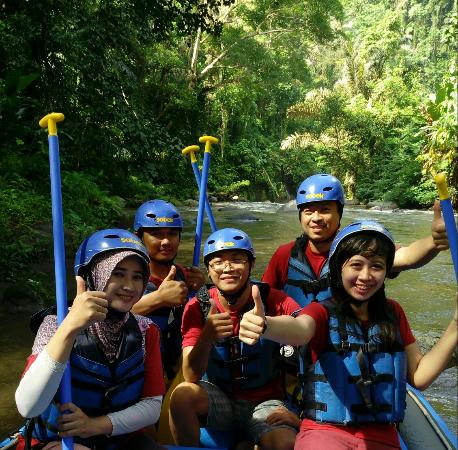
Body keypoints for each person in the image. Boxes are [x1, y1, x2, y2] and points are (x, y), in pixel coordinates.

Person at [240, 220, 458, 450]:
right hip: (325, 432)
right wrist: (266, 325)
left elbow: (420, 377)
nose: (365, 276)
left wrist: (455, 324)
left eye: (376, 266)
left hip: (382, 434)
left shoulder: (393, 312)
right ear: (339, 268)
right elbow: (299, 330)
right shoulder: (321, 311)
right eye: (356, 265)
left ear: (387, 271)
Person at [15, 229, 166, 450]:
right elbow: (28, 407)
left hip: (115, 437)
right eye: (118, 274)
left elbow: (152, 406)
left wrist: (95, 425)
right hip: (58, 442)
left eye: (137, 277)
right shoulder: (55, 325)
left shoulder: (146, 329)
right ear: (93, 276)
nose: (130, 286)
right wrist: (70, 328)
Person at [168, 228, 302, 449]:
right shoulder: (197, 307)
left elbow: (306, 329)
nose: (228, 268)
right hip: (219, 399)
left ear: (251, 264)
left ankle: (249, 440)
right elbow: (190, 375)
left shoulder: (274, 300)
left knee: (285, 443)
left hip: (265, 402)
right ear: (209, 270)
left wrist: (269, 325)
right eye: (218, 262)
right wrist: (206, 338)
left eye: (237, 260)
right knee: (182, 396)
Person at [262, 173, 449, 307]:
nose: (316, 218)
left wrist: (434, 242)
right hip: (297, 337)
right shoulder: (285, 254)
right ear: (300, 216)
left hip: (342, 341)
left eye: (325, 210)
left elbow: (407, 257)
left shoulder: (357, 247)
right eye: (308, 212)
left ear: (339, 213)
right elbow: (262, 295)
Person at [131, 199, 205, 380]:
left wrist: (201, 291)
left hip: (177, 364)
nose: (166, 241)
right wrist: (158, 298)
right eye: (156, 234)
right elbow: (106, 317)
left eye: (172, 234)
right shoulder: (125, 276)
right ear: (139, 238)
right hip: (139, 368)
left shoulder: (186, 276)